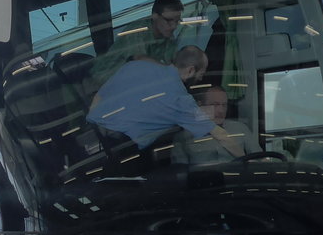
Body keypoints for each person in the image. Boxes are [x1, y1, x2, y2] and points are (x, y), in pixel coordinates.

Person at [88, 46, 244, 158]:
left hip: (88, 140)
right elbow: (220, 134)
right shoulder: (182, 101)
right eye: (201, 74)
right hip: (121, 153)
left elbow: (98, 97)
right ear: (190, 70)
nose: (201, 79)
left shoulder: (135, 66)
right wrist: (249, 160)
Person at [89, 0, 184, 88]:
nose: (174, 26)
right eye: (168, 20)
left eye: (177, 21)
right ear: (155, 16)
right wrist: (169, 71)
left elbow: (172, 64)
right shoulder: (138, 30)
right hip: (103, 84)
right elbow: (140, 61)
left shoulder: (169, 39)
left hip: (132, 86)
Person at [174, 86, 261, 165]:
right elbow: (181, 174)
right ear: (200, 106)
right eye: (215, 105)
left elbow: (260, 160)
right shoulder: (184, 137)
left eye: (224, 105)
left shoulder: (240, 129)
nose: (221, 110)